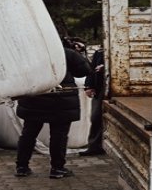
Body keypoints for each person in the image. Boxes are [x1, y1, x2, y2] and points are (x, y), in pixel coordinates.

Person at [14, 37, 91, 179]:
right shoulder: (67, 53)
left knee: (28, 134)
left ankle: (22, 167)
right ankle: (57, 168)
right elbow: (84, 71)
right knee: (59, 136)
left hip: (35, 99)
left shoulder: (29, 54)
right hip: (61, 100)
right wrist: (77, 53)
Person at [81, 48, 106, 156]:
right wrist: (88, 86)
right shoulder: (100, 52)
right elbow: (91, 70)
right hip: (100, 88)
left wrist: (106, 68)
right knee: (95, 117)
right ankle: (95, 146)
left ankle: (97, 145)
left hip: (110, 88)